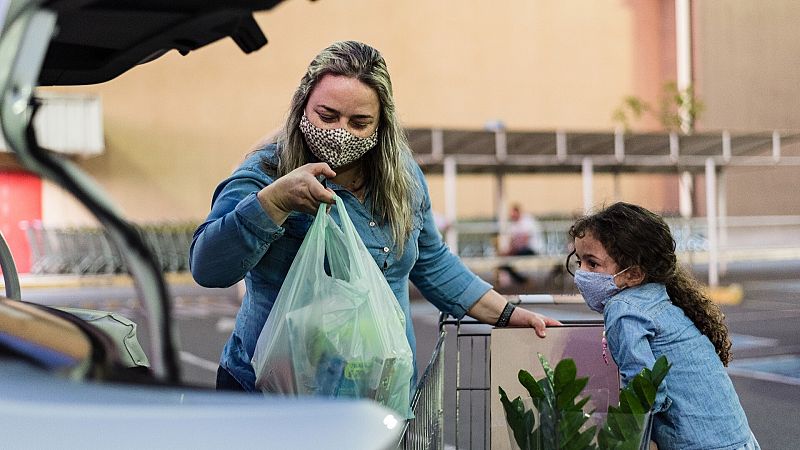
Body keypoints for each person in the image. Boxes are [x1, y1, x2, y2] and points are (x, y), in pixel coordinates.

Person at [189, 41, 560, 393]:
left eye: (359, 122)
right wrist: (274, 203)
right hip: (273, 393)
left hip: (375, 393)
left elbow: (431, 262)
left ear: (381, 124)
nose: (340, 133)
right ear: (302, 107)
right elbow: (208, 267)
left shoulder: (403, 178)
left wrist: (507, 313)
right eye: (327, 115)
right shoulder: (264, 174)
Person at [567, 202, 759, 450]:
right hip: (735, 439)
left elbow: (645, 390)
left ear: (633, 274)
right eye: (579, 261)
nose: (582, 272)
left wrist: (630, 440)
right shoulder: (659, 297)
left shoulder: (623, 308)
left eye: (592, 264)